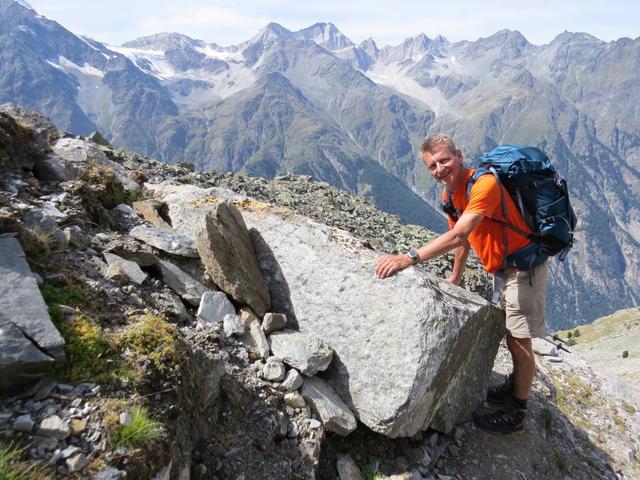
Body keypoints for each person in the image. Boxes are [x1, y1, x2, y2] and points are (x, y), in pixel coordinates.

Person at [374, 134, 548, 434]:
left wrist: (410, 258)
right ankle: (514, 387)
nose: (440, 169)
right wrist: (456, 275)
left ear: (459, 155)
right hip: (504, 267)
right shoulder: (451, 196)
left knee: (519, 340)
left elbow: (458, 234)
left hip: (523, 268)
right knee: (510, 333)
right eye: (432, 166)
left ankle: (517, 413)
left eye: (444, 160)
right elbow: (462, 239)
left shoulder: (484, 185)